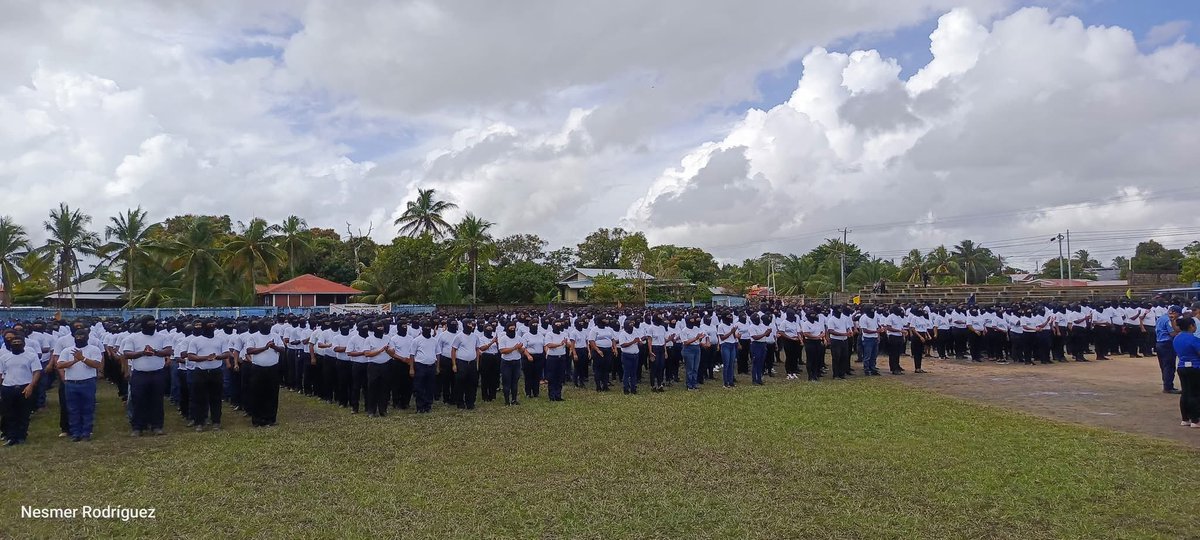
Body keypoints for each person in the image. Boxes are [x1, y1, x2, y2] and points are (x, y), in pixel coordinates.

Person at [122, 317, 173, 436]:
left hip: (158, 373)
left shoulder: (162, 337)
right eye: (149, 324)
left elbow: (168, 351)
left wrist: (154, 352)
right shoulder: (133, 338)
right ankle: (138, 427)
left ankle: (157, 426)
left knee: (157, 400)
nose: (152, 326)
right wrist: (142, 353)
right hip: (139, 374)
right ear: (142, 325)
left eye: (153, 324)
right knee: (138, 400)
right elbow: (127, 353)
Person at [54, 329, 102, 441]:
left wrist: (83, 359)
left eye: (82, 335)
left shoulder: (93, 349)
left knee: (88, 408)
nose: (79, 338)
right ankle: (75, 433)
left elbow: (96, 364)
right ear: (74, 337)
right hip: (71, 383)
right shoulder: (67, 350)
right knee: (72, 409)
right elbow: (59, 365)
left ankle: (86, 432)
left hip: (88, 382)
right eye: (77, 336)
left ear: (87, 337)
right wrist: (74, 361)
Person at [0, 331, 43, 446]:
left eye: (19, 342)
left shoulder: (31, 356)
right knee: (9, 413)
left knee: (23, 413)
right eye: (14, 342)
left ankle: (21, 436)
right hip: (8, 388)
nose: (16, 344)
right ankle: (11, 437)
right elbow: (1, 374)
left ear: (24, 344)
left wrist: (31, 386)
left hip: (25, 387)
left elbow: (36, 372)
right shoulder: (4, 357)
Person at [186, 320, 229, 432]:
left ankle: (216, 422)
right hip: (201, 372)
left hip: (216, 372)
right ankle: (199, 422)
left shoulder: (221, 340)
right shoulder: (196, 341)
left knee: (216, 398)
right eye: (209, 326)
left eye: (213, 326)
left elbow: (226, 353)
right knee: (199, 398)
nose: (211, 328)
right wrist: (206, 358)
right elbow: (190, 356)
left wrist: (217, 357)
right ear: (203, 328)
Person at [243, 320, 283, 427]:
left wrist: (274, 347)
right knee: (257, 394)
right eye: (265, 325)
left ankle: (271, 419)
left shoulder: (276, 336)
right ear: (259, 327)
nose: (267, 327)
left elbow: (283, 349)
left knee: (272, 394)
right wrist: (265, 347)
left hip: (273, 369)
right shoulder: (253, 337)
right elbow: (249, 351)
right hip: (258, 369)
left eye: (269, 325)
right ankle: (257, 420)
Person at [1172, 315, 1200, 428]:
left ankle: (1185, 418)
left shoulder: (1177, 338)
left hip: (1182, 366)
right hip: (1194, 367)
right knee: (1195, 394)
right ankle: (1195, 419)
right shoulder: (1193, 339)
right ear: (1191, 326)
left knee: (1185, 393)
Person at [451, 320, 483, 408]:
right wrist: (454, 364)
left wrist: (477, 363)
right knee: (460, 383)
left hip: (472, 363)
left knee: (472, 383)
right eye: (468, 324)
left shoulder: (475, 337)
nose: (470, 326)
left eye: (471, 325)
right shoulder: (459, 337)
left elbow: (477, 349)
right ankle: (460, 402)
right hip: (461, 363)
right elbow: (453, 350)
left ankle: (470, 402)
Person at [1156, 306, 1183, 394]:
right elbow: (1172, 333)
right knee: (1169, 366)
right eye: (1178, 315)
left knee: (1164, 366)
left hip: (1159, 343)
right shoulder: (1169, 320)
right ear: (1174, 312)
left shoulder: (1161, 318)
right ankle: (1168, 387)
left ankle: (1167, 385)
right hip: (1167, 343)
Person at [497, 322, 524, 405]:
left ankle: (514, 399)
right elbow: (502, 351)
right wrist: (514, 348)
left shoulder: (519, 338)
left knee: (515, 381)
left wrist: (519, 348)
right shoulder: (503, 338)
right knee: (506, 382)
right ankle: (506, 401)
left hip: (516, 362)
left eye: (514, 328)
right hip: (506, 363)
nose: (512, 330)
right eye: (511, 328)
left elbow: (522, 350)